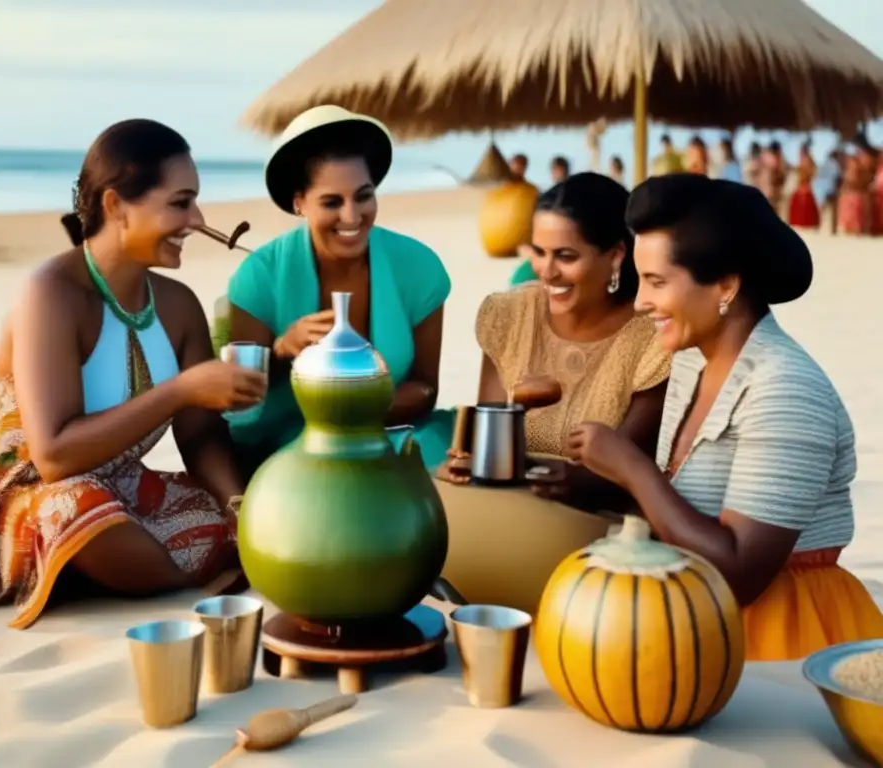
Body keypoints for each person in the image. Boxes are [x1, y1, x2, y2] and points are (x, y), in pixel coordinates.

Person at [0, 120, 265, 629]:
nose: (196, 219)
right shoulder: (52, 293)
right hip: (32, 493)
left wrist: (237, 506)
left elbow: (200, 437)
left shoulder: (178, 306)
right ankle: (137, 566)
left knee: (244, 508)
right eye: (180, 202)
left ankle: (121, 571)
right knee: (78, 512)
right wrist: (180, 389)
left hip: (127, 491)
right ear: (115, 206)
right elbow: (54, 455)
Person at [565, 174, 883, 661]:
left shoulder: (785, 390)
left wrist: (632, 468)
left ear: (726, 286)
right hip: (700, 612)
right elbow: (682, 507)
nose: (640, 302)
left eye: (656, 282)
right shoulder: (691, 360)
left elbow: (740, 573)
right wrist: (573, 482)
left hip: (785, 635)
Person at [227, 105, 453, 473]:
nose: (352, 216)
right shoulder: (259, 276)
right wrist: (281, 351)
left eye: (363, 196)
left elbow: (425, 387)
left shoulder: (418, 268)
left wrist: (356, 413)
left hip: (390, 434)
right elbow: (241, 411)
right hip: (295, 446)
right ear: (298, 201)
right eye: (332, 202)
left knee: (438, 457)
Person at [441, 172, 671, 512]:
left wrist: (570, 479)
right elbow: (485, 445)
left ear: (616, 254)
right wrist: (466, 465)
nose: (546, 271)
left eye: (565, 256)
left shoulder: (653, 339)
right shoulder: (509, 315)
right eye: (538, 251)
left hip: (599, 521)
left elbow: (629, 471)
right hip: (511, 508)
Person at [788, 140, 821, 229]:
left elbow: (810, 174)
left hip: (804, 190)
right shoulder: (804, 161)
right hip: (801, 189)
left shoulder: (807, 162)